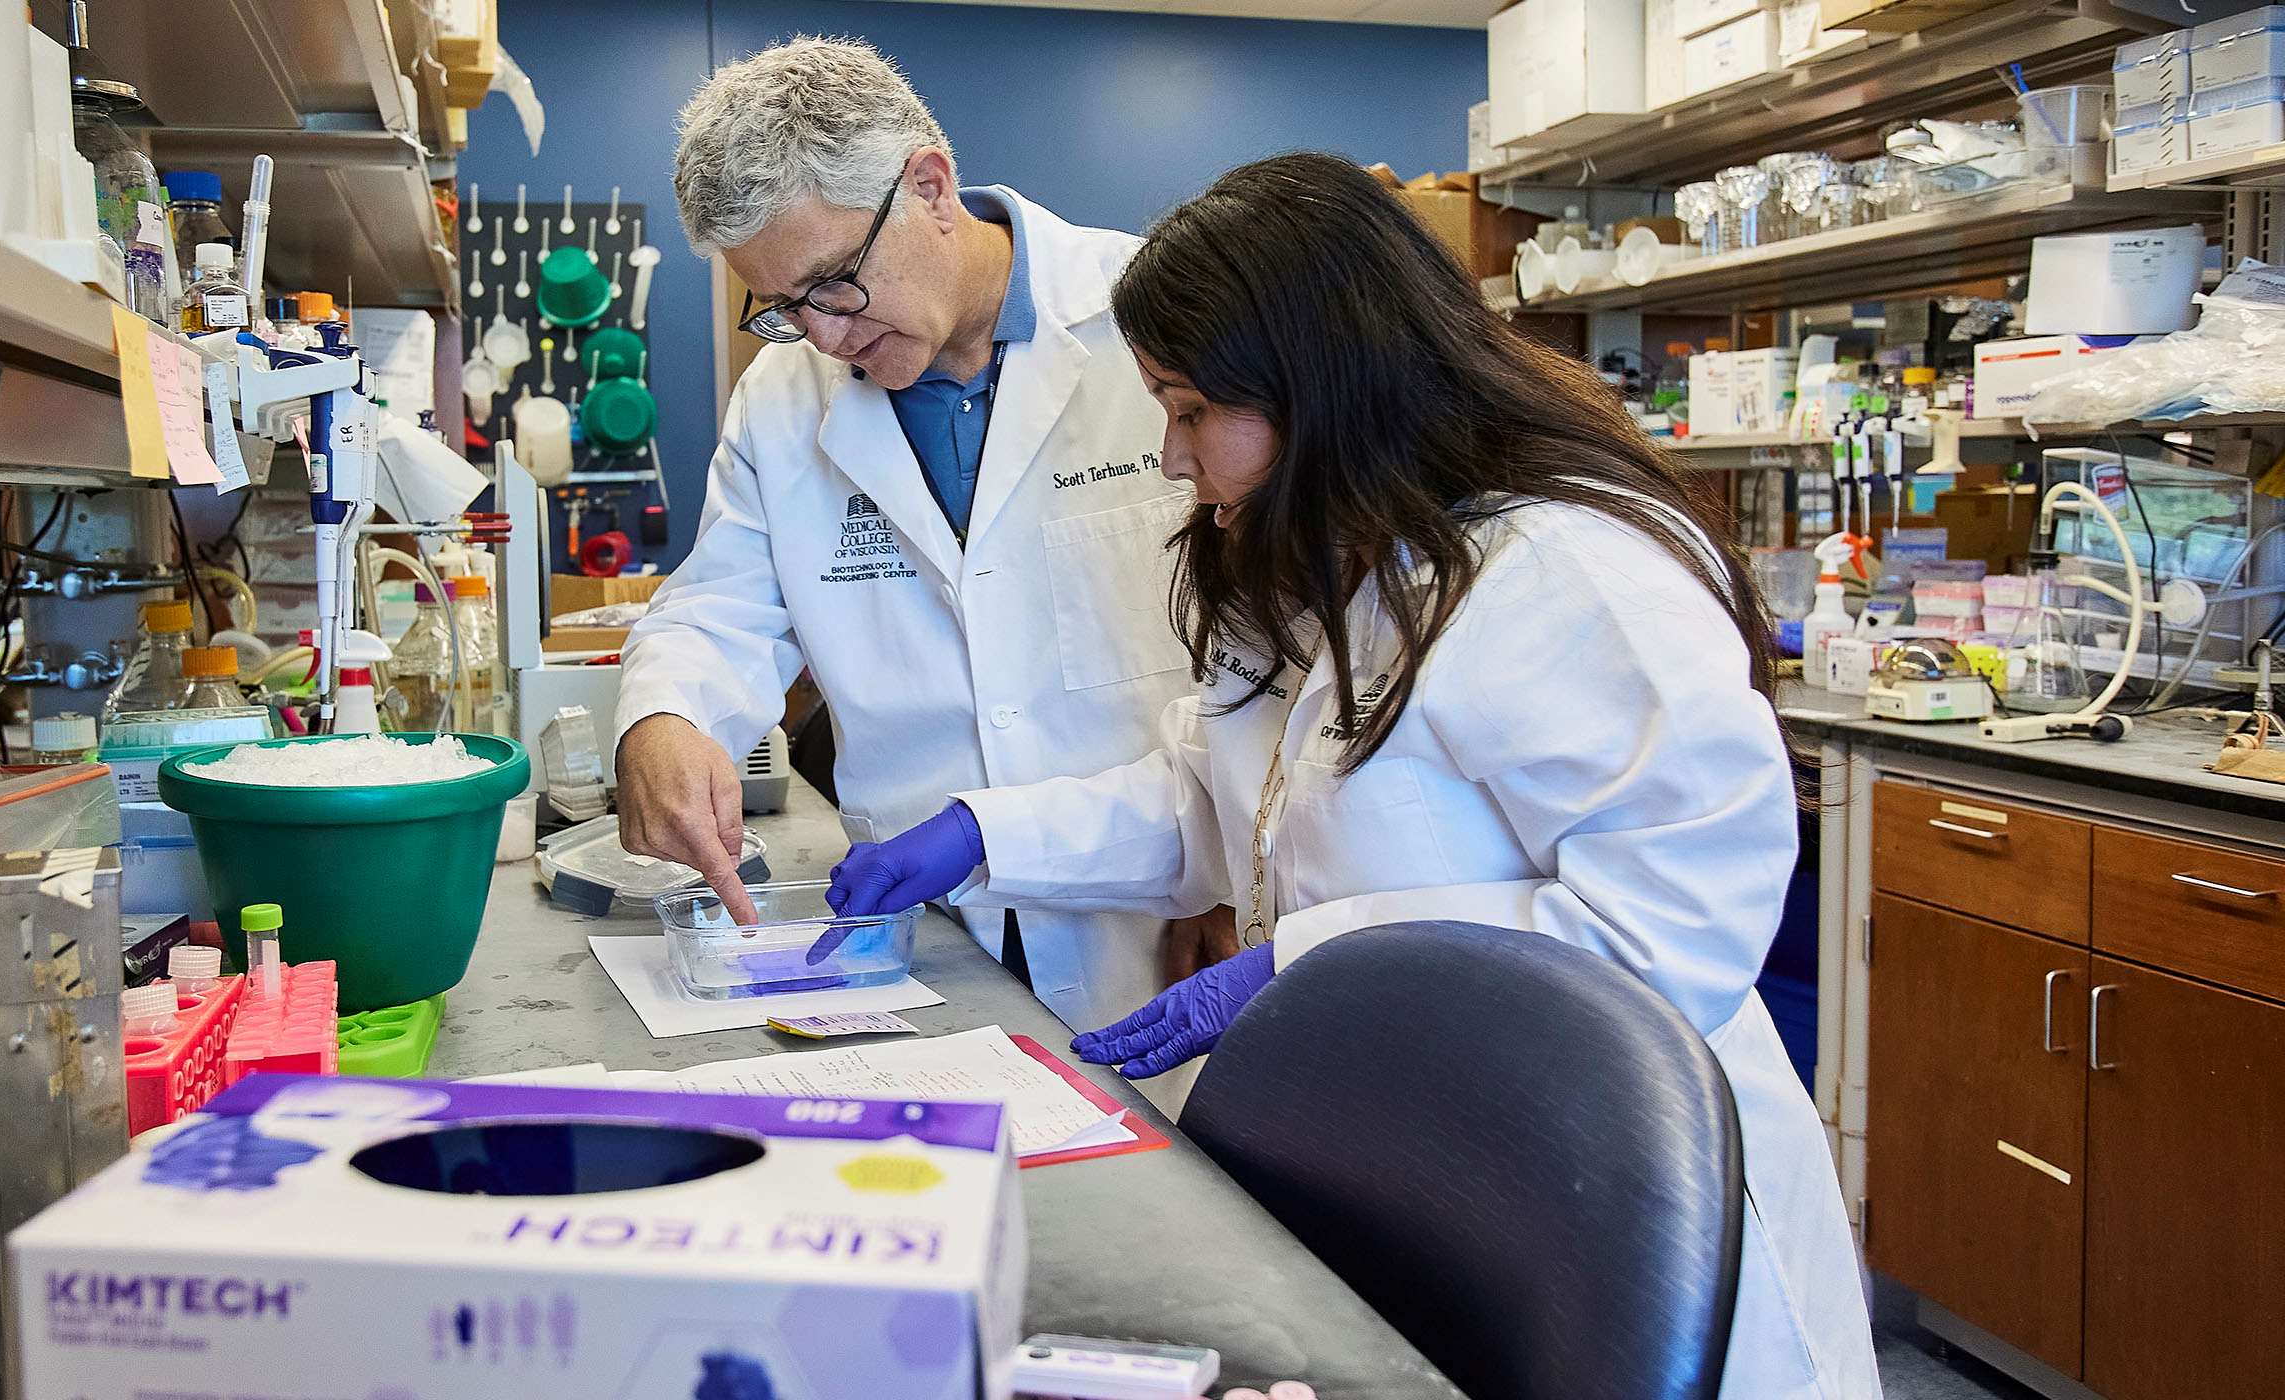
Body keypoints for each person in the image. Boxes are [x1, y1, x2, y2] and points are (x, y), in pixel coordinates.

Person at [825, 153, 1882, 1399]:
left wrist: (1320, 958)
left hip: (1615, 1207)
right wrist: (977, 832)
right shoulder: (1306, 553)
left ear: (1322, 386)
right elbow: (1212, 804)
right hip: (1437, 1168)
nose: (1169, 457)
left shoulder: (1562, 568)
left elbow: (1679, 922)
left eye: (1187, 408)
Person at [617, 38, 1225, 1064]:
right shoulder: (781, 400)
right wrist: (665, 717)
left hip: (1164, 921)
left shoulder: (1159, 321)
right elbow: (716, 607)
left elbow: (1281, 649)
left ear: (931, 187)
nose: (819, 336)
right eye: (780, 307)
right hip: (913, 943)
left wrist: (1243, 880)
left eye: (833, 283)